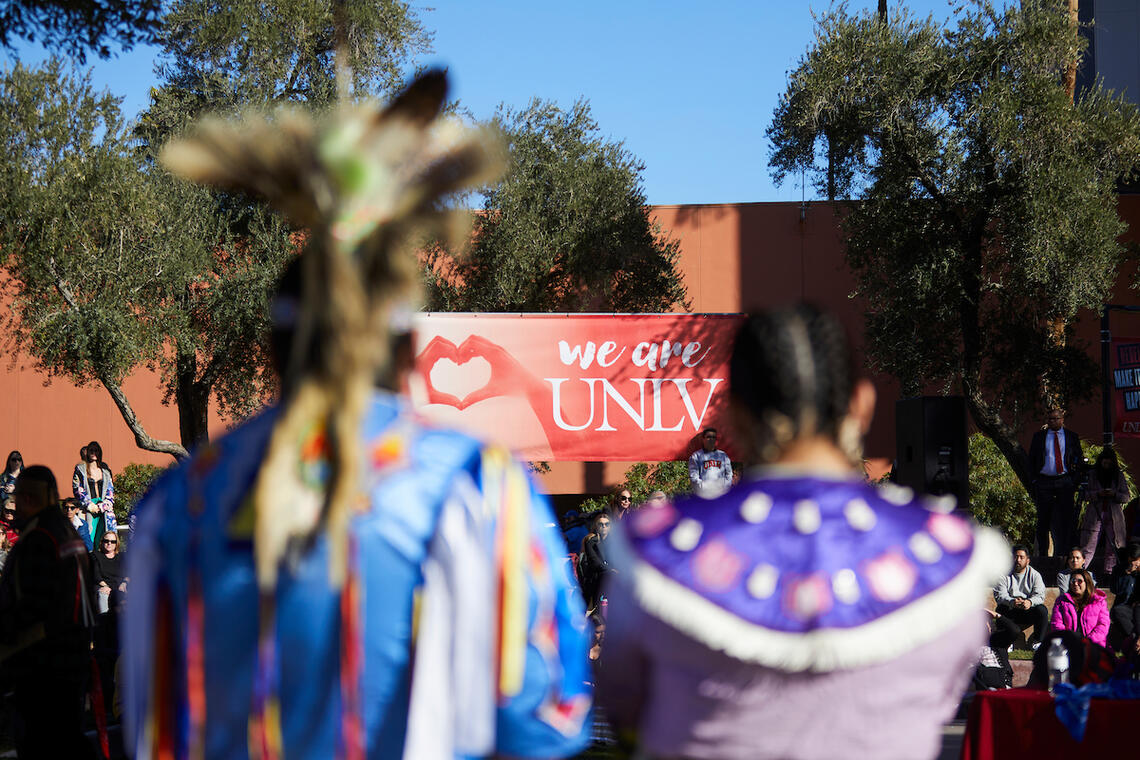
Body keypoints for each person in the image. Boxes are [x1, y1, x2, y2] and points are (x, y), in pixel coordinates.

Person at [124, 71, 591, 760]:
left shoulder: (176, 506)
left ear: (271, 351)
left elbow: (150, 728)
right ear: (407, 350)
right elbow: (546, 722)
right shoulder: (472, 488)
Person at [598, 306, 1008, 760]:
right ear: (861, 405)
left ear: (733, 415)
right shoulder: (948, 562)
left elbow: (625, 707)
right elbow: (940, 699)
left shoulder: (657, 556)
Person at [0, 466, 97, 759]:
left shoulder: (40, 540)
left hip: (43, 669)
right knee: (68, 740)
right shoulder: (70, 535)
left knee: (44, 745)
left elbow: (33, 612)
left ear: (30, 498)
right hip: (73, 660)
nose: (17, 504)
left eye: (21, 497)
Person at [1028, 407, 1083, 556]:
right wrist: (1034, 480)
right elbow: (1032, 459)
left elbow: (1078, 459)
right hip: (1044, 481)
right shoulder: (1039, 436)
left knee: (1067, 518)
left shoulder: (1071, 436)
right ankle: (1043, 554)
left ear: (1062, 419)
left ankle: (1066, 552)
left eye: (1055, 419)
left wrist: (1074, 480)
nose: (1052, 421)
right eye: (1050, 419)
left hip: (1064, 481)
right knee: (1043, 519)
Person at [1079, 446, 1130, 574]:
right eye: (1104, 462)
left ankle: (1110, 573)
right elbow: (1084, 495)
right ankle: (1081, 571)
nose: (1106, 465)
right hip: (1095, 513)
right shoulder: (1093, 475)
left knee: (1113, 547)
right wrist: (1098, 493)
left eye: (1109, 463)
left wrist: (1113, 494)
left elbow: (1126, 497)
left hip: (1114, 516)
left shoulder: (1118, 476)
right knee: (1088, 545)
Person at [993, 545, 1049, 649]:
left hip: (1028, 610)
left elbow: (1040, 596)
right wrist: (1012, 601)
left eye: (1021, 557)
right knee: (1000, 608)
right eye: (1015, 557)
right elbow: (999, 595)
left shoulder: (1035, 575)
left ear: (1027, 560)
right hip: (1010, 609)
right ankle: (1007, 641)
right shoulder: (1003, 574)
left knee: (1042, 610)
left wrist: (1030, 602)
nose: (1018, 560)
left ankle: (1037, 642)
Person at [1049, 568, 1109, 647]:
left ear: (1087, 583)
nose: (1076, 584)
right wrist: (1068, 640)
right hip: (1068, 645)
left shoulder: (1099, 602)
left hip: (1093, 645)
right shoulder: (1061, 601)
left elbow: (1103, 625)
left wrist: (1088, 641)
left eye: (1079, 581)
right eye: (1073, 581)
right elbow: (1056, 624)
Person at [73, 441, 116, 545]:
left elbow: (110, 490)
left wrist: (104, 505)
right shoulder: (80, 469)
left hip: (104, 509)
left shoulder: (105, 471)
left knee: (106, 539)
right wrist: (90, 505)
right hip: (87, 509)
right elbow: (77, 488)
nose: (94, 453)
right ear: (87, 452)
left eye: (96, 450)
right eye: (91, 450)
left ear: (100, 452)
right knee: (88, 540)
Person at [972, 609, 1018, 690]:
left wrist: (996, 615)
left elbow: (1015, 630)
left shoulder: (997, 641)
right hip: (984, 685)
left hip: (1003, 685)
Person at [1108, 542, 1140, 656]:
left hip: (1137, 609)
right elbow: (1115, 590)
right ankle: (1135, 638)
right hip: (1123, 608)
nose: (1132, 563)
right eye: (1130, 560)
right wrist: (1126, 574)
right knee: (1118, 611)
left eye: (1135, 560)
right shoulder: (1119, 570)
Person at [581, 511, 616, 611]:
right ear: (596, 526)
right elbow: (595, 562)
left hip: (611, 578)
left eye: (606, 524)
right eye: (600, 524)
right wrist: (611, 570)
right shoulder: (590, 541)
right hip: (596, 579)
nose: (603, 526)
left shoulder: (614, 542)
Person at [688, 426, 732, 498]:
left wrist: (724, 487)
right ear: (703, 439)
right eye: (708, 437)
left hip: (720, 493)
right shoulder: (696, 456)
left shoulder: (723, 455)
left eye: (713, 437)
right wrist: (704, 487)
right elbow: (693, 476)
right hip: (704, 494)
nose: (711, 439)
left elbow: (729, 474)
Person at [92, 530, 127, 614]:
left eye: (113, 541)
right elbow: (96, 576)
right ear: (102, 542)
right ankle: (104, 621)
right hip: (103, 585)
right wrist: (106, 586)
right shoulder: (95, 555)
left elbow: (129, 572)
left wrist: (124, 583)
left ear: (116, 543)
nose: (109, 543)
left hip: (120, 586)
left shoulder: (122, 556)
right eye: (106, 541)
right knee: (103, 594)